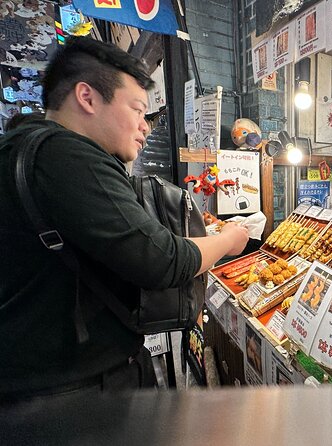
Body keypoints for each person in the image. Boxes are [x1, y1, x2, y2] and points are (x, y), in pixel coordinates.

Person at [0, 37, 249, 400]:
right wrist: (230, 240)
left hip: (42, 379)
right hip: (70, 391)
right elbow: (162, 260)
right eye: (136, 109)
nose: (145, 125)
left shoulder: (20, 147)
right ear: (87, 97)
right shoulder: (65, 156)